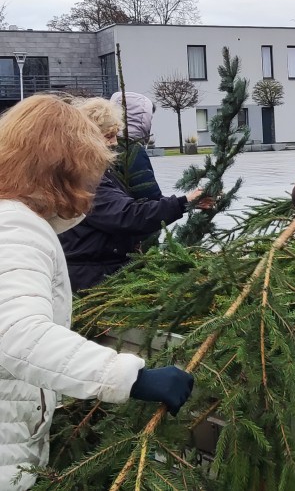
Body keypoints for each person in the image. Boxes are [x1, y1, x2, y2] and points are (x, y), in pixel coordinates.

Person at [0, 95, 194, 490]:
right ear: (60, 171)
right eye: (88, 175)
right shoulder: (16, 231)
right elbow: (18, 333)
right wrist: (129, 377)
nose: (91, 191)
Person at [59, 98, 209, 292]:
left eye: (115, 135)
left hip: (96, 269)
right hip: (94, 278)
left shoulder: (90, 172)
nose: (114, 143)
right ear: (87, 137)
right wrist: (184, 202)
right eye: (108, 136)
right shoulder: (85, 179)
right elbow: (127, 215)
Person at [110, 91, 162, 200]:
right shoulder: (132, 150)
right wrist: (185, 202)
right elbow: (150, 196)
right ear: (142, 119)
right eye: (150, 119)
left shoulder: (103, 147)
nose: (151, 124)